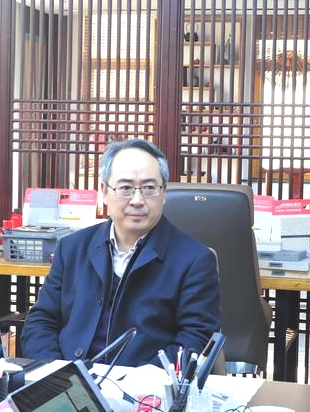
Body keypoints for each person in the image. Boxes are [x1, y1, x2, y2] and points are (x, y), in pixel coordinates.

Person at [20, 138, 220, 368]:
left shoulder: (194, 260)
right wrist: (60, 373)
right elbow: (41, 321)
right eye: (125, 188)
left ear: (164, 192)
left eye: (149, 188)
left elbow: (196, 338)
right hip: (68, 380)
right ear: (105, 192)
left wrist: (140, 379)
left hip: (144, 386)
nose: (137, 200)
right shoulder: (72, 248)